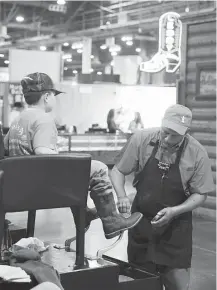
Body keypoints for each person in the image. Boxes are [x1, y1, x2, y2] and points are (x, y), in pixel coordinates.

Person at [4, 72, 142, 241]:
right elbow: (41, 153)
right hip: (40, 189)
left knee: (78, 170)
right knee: (98, 168)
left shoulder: (18, 120)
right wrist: (66, 161)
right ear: (47, 96)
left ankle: (84, 215)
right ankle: (111, 221)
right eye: (54, 96)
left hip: (22, 186)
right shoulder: (44, 119)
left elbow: (6, 149)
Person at [110, 104, 215, 290]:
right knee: (142, 284)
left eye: (174, 135)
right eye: (165, 132)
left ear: (186, 132)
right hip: (141, 224)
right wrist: (121, 196)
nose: (167, 139)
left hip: (175, 229)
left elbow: (201, 194)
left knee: (178, 285)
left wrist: (175, 211)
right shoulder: (141, 139)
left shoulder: (197, 153)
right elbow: (118, 171)